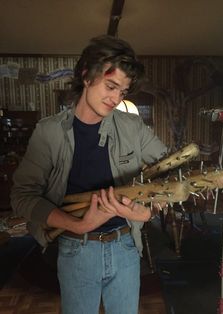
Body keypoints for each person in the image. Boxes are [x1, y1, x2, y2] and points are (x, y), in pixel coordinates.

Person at [10, 35, 167, 314]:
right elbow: (22, 196)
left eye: (123, 91)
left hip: (125, 248)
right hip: (75, 250)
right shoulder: (49, 132)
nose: (116, 98)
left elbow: (169, 170)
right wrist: (78, 224)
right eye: (111, 86)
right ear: (86, 75)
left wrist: (145, 211)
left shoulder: (132, 127)